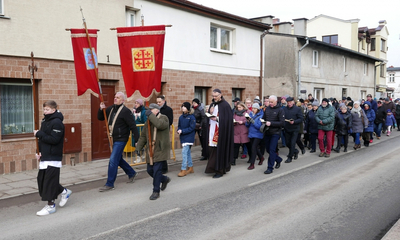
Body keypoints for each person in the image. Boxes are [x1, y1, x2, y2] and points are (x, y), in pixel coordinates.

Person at [34, 100, 72, 216]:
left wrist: (39, 133)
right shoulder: (45, 121)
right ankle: (64, 192)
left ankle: (51, 206)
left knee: (49, 182)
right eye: (44, 109)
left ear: (54, 109)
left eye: (47, 109)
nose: (45, 111)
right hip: (45, 155)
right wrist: (38, 152)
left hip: (53, 156)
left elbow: (54, 140)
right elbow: (41, 140)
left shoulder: (57, 123)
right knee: (42, 179)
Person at [97, 92, 140, 192]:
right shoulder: (110, 109)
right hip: (112, 138)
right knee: (118, 159)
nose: (115, 98)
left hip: (121, 139)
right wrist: (100, 109)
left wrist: (137, 140)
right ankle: (132, 173)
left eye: (118, 97)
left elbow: (133, 126)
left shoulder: (126, 111)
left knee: (113, 160)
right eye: (115, 97)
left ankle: (110, 183)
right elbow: (100, 117)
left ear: (123, 100)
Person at [135, 103, 171, 200]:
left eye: (151, 110)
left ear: (156, 110)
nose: (149, 112)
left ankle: (156, 191)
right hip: (150, 149)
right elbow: (143, 136)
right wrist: (138, 147)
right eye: (149, 110)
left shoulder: (164, 118)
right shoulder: (149, 121)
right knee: (150, 170)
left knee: (156, 171)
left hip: (160, 149)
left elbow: (159, 125)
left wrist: (150, 116)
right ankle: (164, 179)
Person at [205, 89, 234, 178]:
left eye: (216, 96)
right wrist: (210, 112)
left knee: (220, 151)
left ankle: (219, 170)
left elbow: (228, 120)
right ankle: (218, 168)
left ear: (220, 95)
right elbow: (208, 116)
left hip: (221, 132)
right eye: (213, 96)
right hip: (212, 130)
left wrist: (217, 119)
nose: (214, 98)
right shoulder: (213, 104)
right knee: (213, 151)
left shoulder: (225, 106)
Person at [263, 95, 285, 174]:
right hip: (267, 132)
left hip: (275, 132)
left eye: (272, 102)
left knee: (272, 150)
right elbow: (264, 118)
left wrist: (271, 123)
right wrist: (263, 121)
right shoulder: (267, 109)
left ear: (276, 101)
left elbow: (281, 122)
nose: (270, 103)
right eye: (269, 102)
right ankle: (278, 159)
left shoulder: (280, 110)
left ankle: (270, 168)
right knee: (268, 150)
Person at [177, 102, 196, 177]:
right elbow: (179, 126)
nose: (183, 108)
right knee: (187, 153)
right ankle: (190, 167)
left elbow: (192, 128)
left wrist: (183, 131)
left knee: (184, 152)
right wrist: (179, 130)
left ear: (188, 108)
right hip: (183, 137)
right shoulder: (181, 117)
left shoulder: (192, 117)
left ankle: (183, 169)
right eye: (182, 106)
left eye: (184, 106)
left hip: (189, 137)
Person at [283, 97, 303, 163]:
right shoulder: (285, 109)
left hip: (295, 129)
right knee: (287, 143)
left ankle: (290, 157)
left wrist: (294, 121)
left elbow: (301, 119)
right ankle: (295, 151)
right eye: (288, 103)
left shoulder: (297, 109)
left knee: (292, 143)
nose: (289, 104)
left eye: (290, 102)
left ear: (293, 102)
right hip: (287, 128)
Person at [156, 95, 173, 174]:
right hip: (156, 131)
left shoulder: (168, 109)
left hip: (164, 132)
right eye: (157, 102)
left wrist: (162, 124)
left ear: (163, 101)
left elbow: (170, 121)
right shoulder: (156, 109)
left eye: (159, 102)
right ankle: (158, 166)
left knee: (162, 148)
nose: (158, 103)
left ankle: (164, 167)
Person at [245, 103, 264, 170]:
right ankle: (261, 157)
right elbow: (247, 125)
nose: (253, 110)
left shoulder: (261, 115)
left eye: (255, 108)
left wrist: (252, 121)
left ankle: (252, 164)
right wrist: (247, 121)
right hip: (251, 133)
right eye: (252, 108)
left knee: (253, 148)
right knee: (254, 148)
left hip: (258, 134)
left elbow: (259, 127)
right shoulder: (250, 114)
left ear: (258, 109)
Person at [233, 102, 251, 166]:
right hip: (236, 131)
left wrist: (243, 122)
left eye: (240, 107)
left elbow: (249, 120)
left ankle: (251, 158)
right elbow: (233, 119)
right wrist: (234, 122)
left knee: (248, 145)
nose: (239, 109)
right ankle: (233, 160)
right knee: (235, 146)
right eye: (238, 107)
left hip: (244, 131)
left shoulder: (247, 112)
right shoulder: (235, 113)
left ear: (243, 107)